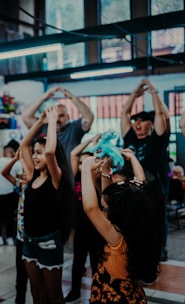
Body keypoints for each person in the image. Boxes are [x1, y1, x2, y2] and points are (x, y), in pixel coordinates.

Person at [80, 153, 157, 303]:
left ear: (116, 211)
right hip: (132, 294)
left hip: (115, 297)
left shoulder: (117, 237)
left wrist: (86, 168)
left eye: (105, 209)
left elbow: (90, 208)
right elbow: (139, 188)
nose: (103, 211)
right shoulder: (135, 225)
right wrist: (106, 169)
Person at [19, 106, 74, 304]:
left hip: (48, 242)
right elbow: (24, 145)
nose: (34, 156)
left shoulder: (55, 178)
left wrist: (51, 122)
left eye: (38, 153)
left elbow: (50, 151)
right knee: (36, 293)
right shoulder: (32, 175)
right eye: (35, 153)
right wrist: (40, 122)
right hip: (29, 241)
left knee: (54, 295)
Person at [120, 78, 169, 283]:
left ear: (150, 125)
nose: (137, 124)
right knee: (131, 231)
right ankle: (132, 267)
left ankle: (150, 270)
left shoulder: (156, 140)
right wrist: (135, 92)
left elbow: (160, 114)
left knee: (152, 232)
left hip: (151, 193)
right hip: (130, 192)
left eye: (142, 121)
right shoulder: (129, 138)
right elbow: (124, 113)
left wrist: (153, 91)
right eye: (136, 121)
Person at [64, 134, 104, 303]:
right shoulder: (76, 178)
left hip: (97, 228)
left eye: (87, 163)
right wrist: (89, 141)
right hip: (80, 226)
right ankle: (75, 291)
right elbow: (73, 154)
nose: (82, 166)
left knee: (97, 262)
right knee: (78, 261)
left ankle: (97, 293)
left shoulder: (100, 180)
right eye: (81, 163)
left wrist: (95, 152)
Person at [21, 87, 94, 159]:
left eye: (61, 116)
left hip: (69, 171)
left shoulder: (74, 129)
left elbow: (89, 117)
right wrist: (44, 97)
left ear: (67, 117)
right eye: (54, 116)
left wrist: (72, 98)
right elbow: (25, 117)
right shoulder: (41, 127)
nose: (57, 120)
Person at [0, 149, 29, 304]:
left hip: (33, 238)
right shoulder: (21, 186)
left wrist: (25, 162)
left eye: (25, 172)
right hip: (21, 237)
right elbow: (4, 173)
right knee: (21, 276)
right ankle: (20, 300)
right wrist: (17, 158)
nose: (22, 175)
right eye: (22, 173)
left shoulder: (36, 186)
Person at [0, 140, 23, 246]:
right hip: (12, 194)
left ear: (4, 152)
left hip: (0, 192)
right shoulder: (18, 163)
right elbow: (20, 178)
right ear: (13, 153)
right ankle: (10, 238)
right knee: (10, 217)